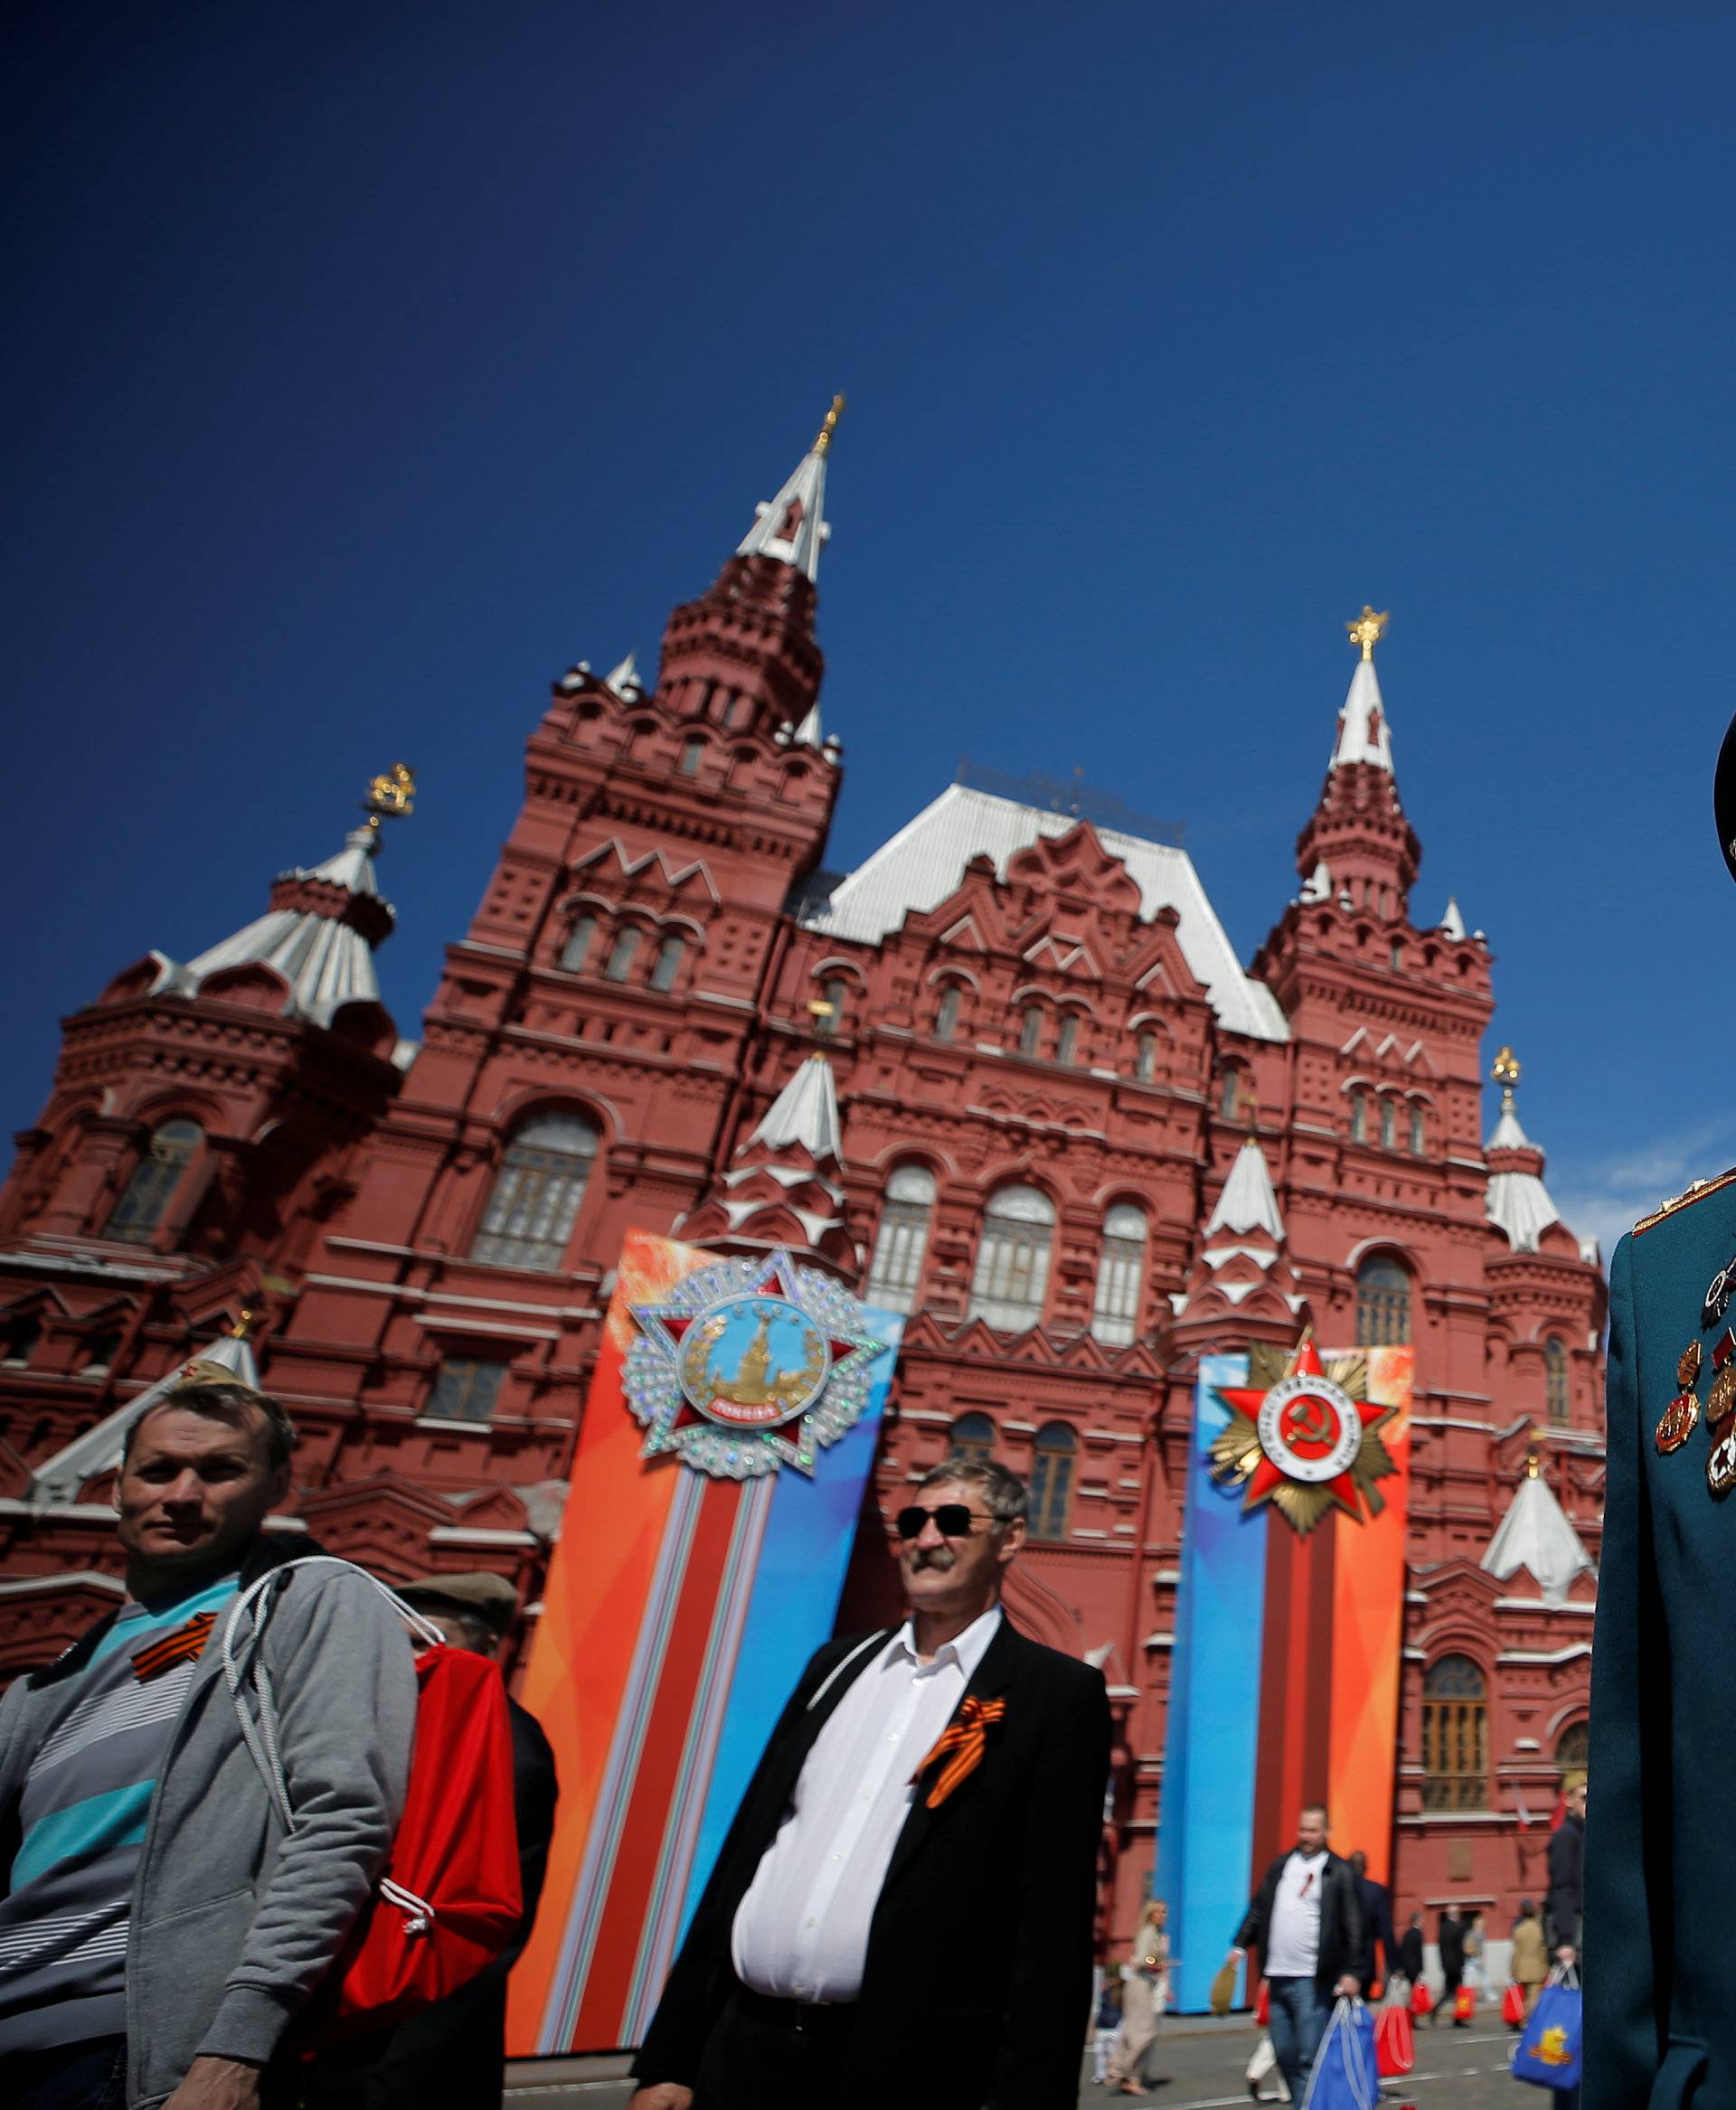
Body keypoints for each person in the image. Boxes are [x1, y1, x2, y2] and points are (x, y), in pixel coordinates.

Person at [628, 1456, 1112, 2110]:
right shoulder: (837, 1666)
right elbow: (746, 1855)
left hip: (902, 2071)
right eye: (914, 1520)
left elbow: (1051, 1927)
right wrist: (672, 2059)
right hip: (743, 2051)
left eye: (953, 1520)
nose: (927, 1537)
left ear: (1012, 1537)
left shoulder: (1055, 1696)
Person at [0, 1379, 416, 2110]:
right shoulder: (49, 1683)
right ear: (116, 1486)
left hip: (139, 2048)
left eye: (221, 1471)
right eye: (158, 1470)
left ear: (276, 1487)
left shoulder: (304, 1599)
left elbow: (344, 1815)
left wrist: (235, 2047)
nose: (183, 1494)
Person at [303, 1570, 559, 2109]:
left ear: (487, 1647)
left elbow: (477, 1934)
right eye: (394, 1644)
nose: (407, 1660)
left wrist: (396, 2076)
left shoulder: (507, 1750)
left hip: (406, 2050)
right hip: (337, 2028)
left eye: (425, 1642)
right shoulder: (383, 1726)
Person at [1222, 1804, 1368, 2105]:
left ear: (1327, 1832)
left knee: (1308, 2054)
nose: (1306, 1836)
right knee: (1283, 2050)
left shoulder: (1339, 1872)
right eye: (1302, 1829)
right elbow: (1259, 1909)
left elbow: (1355, 1926)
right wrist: (1239, 1944)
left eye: (1313, 1830)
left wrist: (1353, 1971)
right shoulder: (1281, 1866)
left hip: (1312, 1979)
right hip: (1277, 1973)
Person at [1105, 1898, 1170, 2096]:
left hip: (1147, 1983)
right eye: (1161, 1912)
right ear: (1152, 1914)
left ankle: (1133, 2074)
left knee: (1135, 2030)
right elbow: (1142, 1959)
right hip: (1139, 1983)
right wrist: (1156, 1962)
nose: (1164, 1916)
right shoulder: (1148, 1932)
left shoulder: (1157, 1934)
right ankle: (1121, 2071)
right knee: (1144, 2031)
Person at [1546, 1776, 1585, 1966]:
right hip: (1576, 1935)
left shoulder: (1586, 1834)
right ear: (1568, 1800)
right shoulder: (1566, 1836)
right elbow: (1563, 1888)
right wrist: (1565, 1940)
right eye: (1584, 1798)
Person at [1347, 1850, 1397, 1994]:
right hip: (1365, 1962)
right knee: (1359, 2009)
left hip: (1338, 1964)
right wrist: (1394, 1964)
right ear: (1365, 1868)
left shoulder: (1337, 1889)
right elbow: (1386, 1931)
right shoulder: (1375, 1891)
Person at [1510, 1901, 1547, 2021]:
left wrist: (1513, 1970)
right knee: (1534, 1997)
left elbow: (1516, 1952)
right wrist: (1546, 1967)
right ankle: (1533, 2020)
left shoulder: (1518, 1930)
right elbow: (1543, 1950)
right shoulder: (1539, 1929)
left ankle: (1524, 2021)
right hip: (1537, 1966)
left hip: (1522, 1966)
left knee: (1525, 1997)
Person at [1435, 1907, 1467, 2025]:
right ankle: (1458, 2017)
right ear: (1455, 1915)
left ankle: (1436, 2010)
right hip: (1456, 1965)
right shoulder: (1456, 1928)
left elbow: (1441, 1948)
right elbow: (1459, 1949)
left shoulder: (1443, 1928)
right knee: (1458, 1991)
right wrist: (1462, 1964)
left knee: (1449, 1991)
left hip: (1447, 1965)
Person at [1091, 1973, 1123, 2086]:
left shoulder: (1121, 1994)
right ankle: (1100, 2075)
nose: (1110, 1981)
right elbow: (1100, 2010)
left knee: (1112, 2053)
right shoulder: (1105, 1993)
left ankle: (1113, 2075)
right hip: (1104, 2026)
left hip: (1115, 2026)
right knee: (1100, 2051)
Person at [1397, 1912, 1424, 1990]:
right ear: (1417, 1921)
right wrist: (1421, 1967)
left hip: (1407, 1965)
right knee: (1416, 1987)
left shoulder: (1406, 1934)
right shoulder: (1418, 1933)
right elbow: (1419, 1952)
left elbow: (1402, 1950)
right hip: (1415, 1965)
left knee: (1411, 1985)